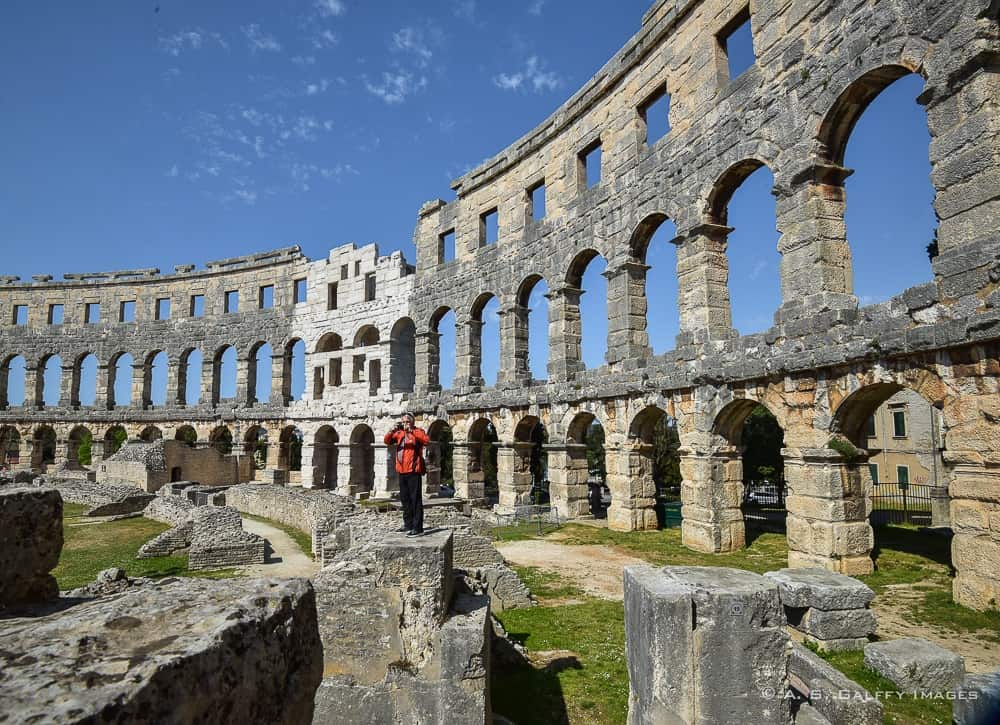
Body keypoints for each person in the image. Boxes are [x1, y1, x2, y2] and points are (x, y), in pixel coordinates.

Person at [384, 413, 430, 536]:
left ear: (412, 422)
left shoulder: (417, 431)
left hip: (413, 470)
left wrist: (411, 431)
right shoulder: (399, 434)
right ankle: (408, 524)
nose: (404, 423)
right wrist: (391, 430)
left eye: (407, 421)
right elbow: (387, 441)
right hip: (402, 470)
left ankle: (418, 527)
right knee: (405, 499)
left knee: (415, 499)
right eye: (402, 421)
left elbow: (426, 440)